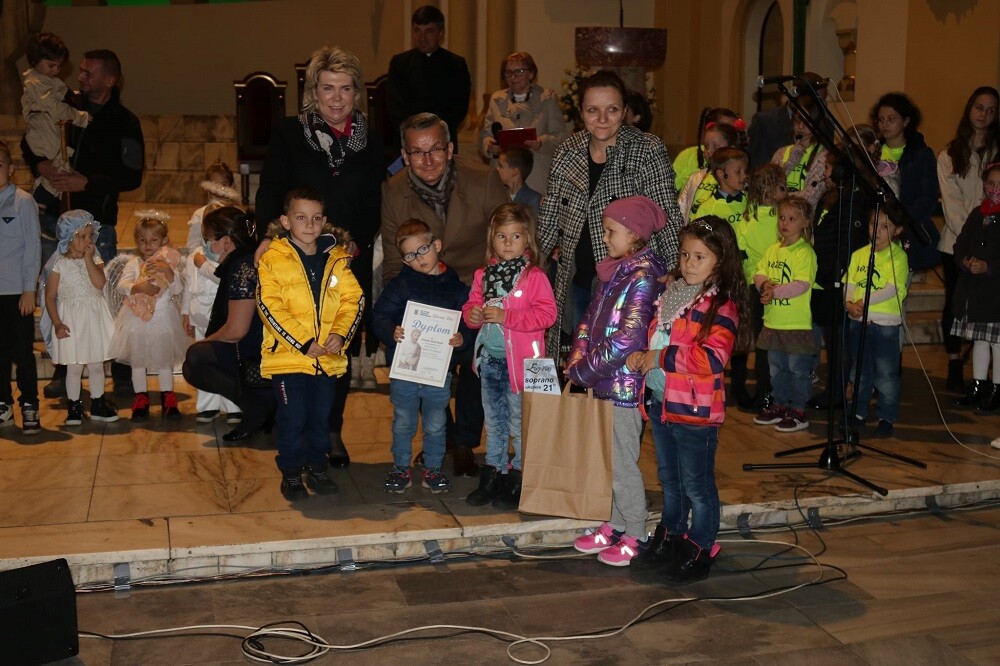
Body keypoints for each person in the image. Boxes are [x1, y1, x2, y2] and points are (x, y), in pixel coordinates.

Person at [255, 46, 385, 466]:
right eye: (328, 88)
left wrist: (355, 242)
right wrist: (267, 236)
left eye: (345, 88)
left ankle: (331, 429)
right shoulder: (289, 133)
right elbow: (270, 189)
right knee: (296, 335)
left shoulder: (372, 140)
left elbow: (375, 201)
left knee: (336, 340)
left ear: (357, 93)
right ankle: (294, 423)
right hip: (296, 255)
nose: (336, 98)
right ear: (313, 91)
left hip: (346, 256)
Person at [381, 112, 509, 477]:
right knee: (419, 354)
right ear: (404, 155)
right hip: (425, 290)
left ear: (450, 149)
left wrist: (492, 297)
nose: (427, 160)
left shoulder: (484, 179)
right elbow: (394, 261)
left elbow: (506, 242)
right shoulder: (393, 191)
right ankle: (445, 437)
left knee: (476, 360)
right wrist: (408, 312)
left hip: (477, 286)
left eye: (435, 149)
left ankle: (466, 442)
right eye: (417, 152)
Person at [632, 217, 751, 582]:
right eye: (685, 254)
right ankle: (672, 531)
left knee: (697, 485)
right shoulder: (672, 294)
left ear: (721, 261)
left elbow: (711, 358)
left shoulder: (721, 307)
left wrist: (661, 357)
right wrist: (643, 356)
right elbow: (658, 337)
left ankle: (701, 544)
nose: (689, 263)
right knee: (670, 479)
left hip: (695, 411)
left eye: (700, 257)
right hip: (662, 402)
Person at [21, 48, 144, 400]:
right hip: (55, 218)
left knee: (106, 295)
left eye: (89, 73)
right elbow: (30, 138)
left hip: (97, 222)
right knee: (62, 294)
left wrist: (87, 183)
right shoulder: (63, 104)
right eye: (82, 71)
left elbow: (132, 175)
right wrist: (41, 164)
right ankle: (65, 367)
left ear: (110, 79)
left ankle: (119, 369)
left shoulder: (125, 121)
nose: (80, 77)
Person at [538, 70, 682, 359]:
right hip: (578, 278)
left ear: (625, 110)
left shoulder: (646, 149)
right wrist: (527, 262)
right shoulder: (567, 150)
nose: (602, 119)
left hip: (630, 284)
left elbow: (667, 215)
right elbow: (550, 215)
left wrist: (675, 270)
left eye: (612, 109)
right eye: (593, 110)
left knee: (621, 361)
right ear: (581, 113)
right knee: (581, 360)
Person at [567, 196, 667, 566]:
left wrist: (585, 370)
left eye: (611, 231)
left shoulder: (642, 277)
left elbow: (628, 338)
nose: (605, 237)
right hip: (603, 379)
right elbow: (589, 319)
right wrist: (577, 357)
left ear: (634, 234)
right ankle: (615, 524)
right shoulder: (616, 272)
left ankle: (636, 532)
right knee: (608, 461)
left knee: (622, 463)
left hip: (622, 385)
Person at [257, 188, 363, 501]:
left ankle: (317, 468)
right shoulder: (272, 259)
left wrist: (340, 334)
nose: (309, 225)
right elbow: (269, 306)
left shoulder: (337, 259)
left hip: (326, 358)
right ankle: (291, 473)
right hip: (289, 358)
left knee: (320, 418)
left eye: (316, 218)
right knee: (292, 419)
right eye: (301, 217)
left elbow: (353, 299)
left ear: (324, 221)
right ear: (285, 221)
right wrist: (303, 342)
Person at [463, 203, 556, 510]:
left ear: (527, 239)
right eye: (501, 236)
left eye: (515, 236)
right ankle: (494, 472)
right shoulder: (483, 275)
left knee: (520, 422)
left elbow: (547, 314)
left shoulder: (533, 277)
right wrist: (473, 315)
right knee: (494, 421)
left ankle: (519, 475)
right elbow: (471, 306)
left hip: (523, 365)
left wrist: (507, 317)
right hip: (490, 360)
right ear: (492, 238)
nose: (507, 243)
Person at [372, 219, 471, 495]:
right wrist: (391, 331)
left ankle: (434, 468)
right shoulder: (400, 285)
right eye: (410, 255)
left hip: (438, 371)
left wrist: (462, 339)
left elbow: (468, 325)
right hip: (404, 370)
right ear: (404, 260)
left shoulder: (457, 289)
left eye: (423, 249)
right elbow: (379, 316)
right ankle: (401, 468)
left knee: (436, 423)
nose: (419, 258)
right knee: (403, 421)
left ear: (436, 245)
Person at [183, 206, 275, 441]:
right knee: (194, 361)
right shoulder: (241, 259)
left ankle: (259, 405)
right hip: (253, 339)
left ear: (226, 241)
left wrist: (206, 342)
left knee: (197, 358)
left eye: (208, 239)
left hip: (255, 345)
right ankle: (256, 406)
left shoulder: (243, 265)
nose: (205, 245)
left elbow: (236, 330)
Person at [937, 87, 1000, 393]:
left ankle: (987, 375)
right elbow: (952, 203)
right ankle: (954, 365)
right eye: (979, 107)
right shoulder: (949, 154)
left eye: (990, 109)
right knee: (955, 303)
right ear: (969, 109)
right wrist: (972, 241)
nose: (983, 114)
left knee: (991, 311)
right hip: (958, 243)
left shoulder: (997, 152)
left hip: (995, 243)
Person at [107, 214, 188, 421]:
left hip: (163, 318)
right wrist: (138, 287)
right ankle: (141, 398)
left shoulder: (167, 263)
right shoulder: (134, 263)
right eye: (143, 240)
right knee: (138, 361)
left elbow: (177, 289)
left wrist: (168, 272)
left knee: (164, 361)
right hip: (137, 320)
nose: (148, 244)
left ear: (164, 241)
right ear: (137, 242)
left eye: (153, 240)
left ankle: (168, 397)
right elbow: (122, 285)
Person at [806, 149, 870, 411]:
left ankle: (837, 393)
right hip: (823, 280)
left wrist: (828, 271)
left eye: (829, 168)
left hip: (837, 281)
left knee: (838, 342)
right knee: (831, 341)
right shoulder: (831, 197)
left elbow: (848, 246)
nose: (825, 173)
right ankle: (833, 389)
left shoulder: (855, 202)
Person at [41, 211, 116, 426]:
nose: (88, 240)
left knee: (96, 364)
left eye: (90, 235)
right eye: (82, 236)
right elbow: (50, 297)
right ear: (69, 238)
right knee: (73, 367)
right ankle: (74, 406)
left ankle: (98, 403)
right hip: (71, 321)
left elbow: (100, 284)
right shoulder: (59, 264)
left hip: (94, 318)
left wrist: (88, 259)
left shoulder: (95, 259)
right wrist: (57, 323)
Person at [752, 195, 817, 433]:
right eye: (782, 218)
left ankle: (798, 409)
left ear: (805, 223)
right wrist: (763, 283)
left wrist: (775, 292)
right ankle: (780, 404)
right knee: (776, 368)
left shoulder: (805, 253)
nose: (784, 223)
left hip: (795, 324)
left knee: (797, 369)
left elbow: (801, 284)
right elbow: (758, 272)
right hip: (773, 322)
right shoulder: (773, 249)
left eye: (792, 219)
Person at [845, 207, 910, 438]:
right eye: (874, 224)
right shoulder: (859, 255)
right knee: (859, 372)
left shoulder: (898, 257)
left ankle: (886, 417)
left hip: (885, 326)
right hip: (858, 322)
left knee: (886, 375)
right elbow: (849, 283)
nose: (877, 231)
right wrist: (849, 303)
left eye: (885, 226)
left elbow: (892, 289)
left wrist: (864, 301)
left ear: (897, 230)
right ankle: (858, 412)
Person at [731, 163, 788, 410]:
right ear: (771, 191)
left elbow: (741, 251)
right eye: (783, 187)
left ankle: (765, 394)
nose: (787, 191)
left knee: (763, 344)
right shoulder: (784, 219)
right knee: (776, 343)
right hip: (782, 286)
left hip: (755, 287)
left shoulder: (747, 219)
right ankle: (774, 394)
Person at [870, 92, 940, 273]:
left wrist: (900, 224)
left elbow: (928, 198)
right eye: (881, 119)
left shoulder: (921, 154)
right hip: (874, 232)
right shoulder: (871, 153)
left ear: (906, 121)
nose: (885, 124)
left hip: (906, 231)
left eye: (891, 119)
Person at [20, 33, 89, 216]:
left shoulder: (44, 80)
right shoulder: (35, 82)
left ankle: (43, 204)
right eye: (51, 65)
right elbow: (55, 107)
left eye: (59, 66)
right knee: (60, 168)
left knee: (62, 166)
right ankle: (39, 203)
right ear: (35, 61)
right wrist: (80, 117)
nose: (56, 70)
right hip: (43, 132)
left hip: (49, 130)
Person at [479, 51, 567, 193]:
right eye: (508, 73)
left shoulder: (547, 98)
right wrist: (489, 146)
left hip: (536, 176)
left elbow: (561, 137)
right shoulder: (497, 99)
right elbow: (485, 136)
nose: (513, 77)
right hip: (503, 177)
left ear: (531, 73)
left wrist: (541, 143)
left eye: (519, 72)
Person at [388, 5, 471, 155]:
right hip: (409, 141)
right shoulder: (400, 63)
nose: (422, 37)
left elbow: (459, 108)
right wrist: (414, 132)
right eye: (417, 31)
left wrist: (435, 133)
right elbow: (395, 107)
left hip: (442, 140)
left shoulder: (456, 64)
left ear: (441, 33)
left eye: (429, 31)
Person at [951, 162, 1000, 413]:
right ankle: (978, 386)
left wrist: (988, 267)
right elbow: (960, 244)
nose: (995, 188)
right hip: (974, 292)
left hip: (995, 295)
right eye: (991, 183)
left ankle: (997, 390)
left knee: (997, 343)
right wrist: (964, 260)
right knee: (980, 340)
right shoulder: (976, 214)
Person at [0, 141, 42, 434]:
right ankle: (3, 403)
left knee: (23, 352)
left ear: (11, 169)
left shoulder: (22, 201)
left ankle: (29, 404)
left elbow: (33, 246)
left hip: (17, 292)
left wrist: (30, 289)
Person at [748, 73, 829, 169]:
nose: (824, 104)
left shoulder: (826, 124)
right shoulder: (765, 122)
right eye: (819, 100)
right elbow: (756, 168)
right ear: (796, 95)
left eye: (824, 99)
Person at [677, 122, 741, 223]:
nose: (709, 151)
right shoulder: (696, 178)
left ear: (731, 149)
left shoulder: (738, 179)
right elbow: (682, 208)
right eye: (706, 146)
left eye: (715, 146)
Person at [770, 99, 828, 209]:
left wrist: (781, 196)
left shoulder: (824, 157)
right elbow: (769, 189)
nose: (800, 126)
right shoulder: (781, 153)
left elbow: (810, 198)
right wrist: (788, 165)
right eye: (797, 121)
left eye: (806, 122)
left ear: (818, 124)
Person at [672, 107, 741, 192]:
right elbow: (671, 188)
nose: (731, 133)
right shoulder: (688, 156)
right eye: (724, 128)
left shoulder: (740, 162)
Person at [185, 162, 240, 252]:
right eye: (214, 185)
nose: (218, 190)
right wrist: (200, 256)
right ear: (207, 188)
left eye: (223, 185)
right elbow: (193, 244)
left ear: (232, 187)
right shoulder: (199, 215)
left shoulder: (238, 215)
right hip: (205, 257)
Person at [689, 147, 749, 224]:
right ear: (721, 174)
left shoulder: (750, 202)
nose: (744, 176)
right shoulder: (707, 209)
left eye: (745, 171)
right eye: (738, 172)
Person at [496, 145, 542, 214]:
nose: (497, 169)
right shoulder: (498, 194)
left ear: (514, 172)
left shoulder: (534, 200)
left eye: (501, 166)